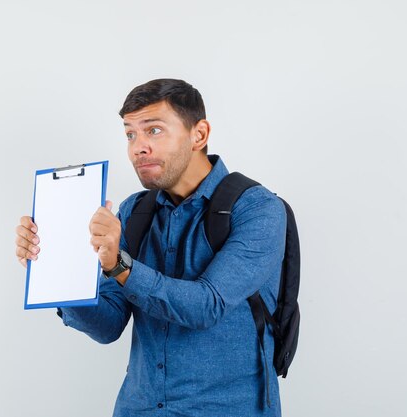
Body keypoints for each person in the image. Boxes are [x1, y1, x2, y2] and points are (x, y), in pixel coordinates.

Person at [15, 79, 286, 417]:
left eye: (153, 130)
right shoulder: (134, 212)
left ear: (199, 134)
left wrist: (120, 266)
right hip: (139, 408)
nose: (137, 147)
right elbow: (108, 326)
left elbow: (205, 306)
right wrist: (56, 270)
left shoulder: (258, 209)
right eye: (130, 134)